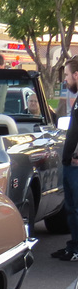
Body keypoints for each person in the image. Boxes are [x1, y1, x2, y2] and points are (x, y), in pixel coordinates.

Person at [53, 57, 78, 261]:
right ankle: (74, 247)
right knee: (71, 210)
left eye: (68, 75)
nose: (66, 81)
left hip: (76, 165)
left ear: (77, 75)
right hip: (70, 164)